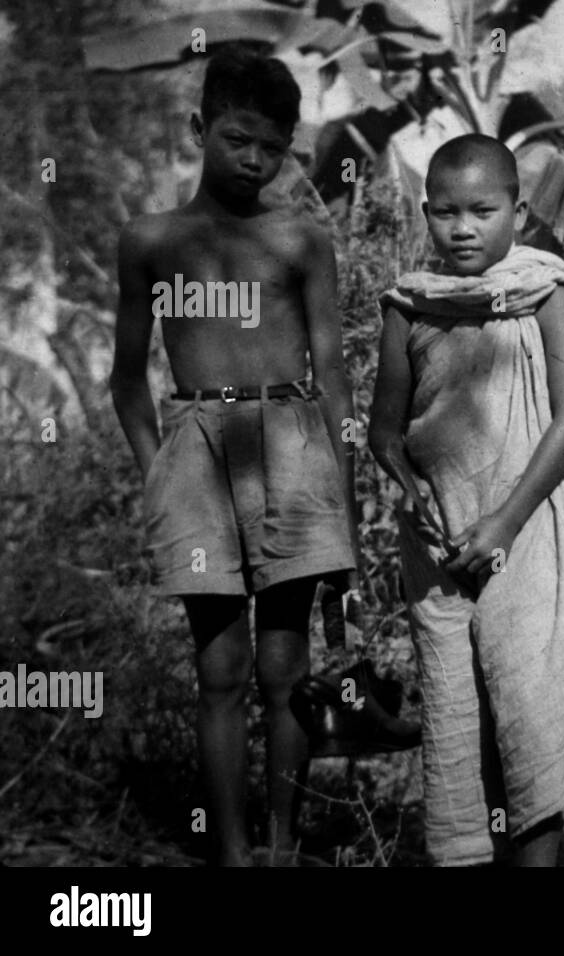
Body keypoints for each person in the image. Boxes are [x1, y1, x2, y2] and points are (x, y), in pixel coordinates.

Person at [368, 133, 564, 866]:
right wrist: (417, 497)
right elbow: (383, 432)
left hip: (525, 533)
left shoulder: (546, 291)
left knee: (530, 721)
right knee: (459, 725)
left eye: (482, 211)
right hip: (438, 547)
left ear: (517, 210)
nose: (462, 228)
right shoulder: (410, 305)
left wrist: (503, 522)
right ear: (425, 213)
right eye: (444, 213)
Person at [110, 46, 359, 866]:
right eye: (237, 138)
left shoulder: (302, 241)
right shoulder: (150, 240)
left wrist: (344, 503)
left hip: (293, 446)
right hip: (195, 451)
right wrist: (159, 471)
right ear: (198, 129)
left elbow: (333, 380)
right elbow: (127, 380)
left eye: (272, 147)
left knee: (284, 665)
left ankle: (283, 848)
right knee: (218, 670)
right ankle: (232, 853)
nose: (254, 160)